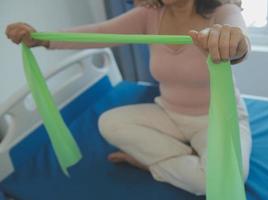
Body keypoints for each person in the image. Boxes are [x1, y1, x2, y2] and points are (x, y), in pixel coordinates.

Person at [6, 0, 252, 195]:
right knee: (108, 122)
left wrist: (232, 42)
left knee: (225, 180)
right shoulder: (149, 15)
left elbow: (239, 38)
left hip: (215, 118)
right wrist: (40, 39)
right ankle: (181, 162)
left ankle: (153, 165)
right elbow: (97, 33)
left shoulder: (223, 11)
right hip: (167, 112)